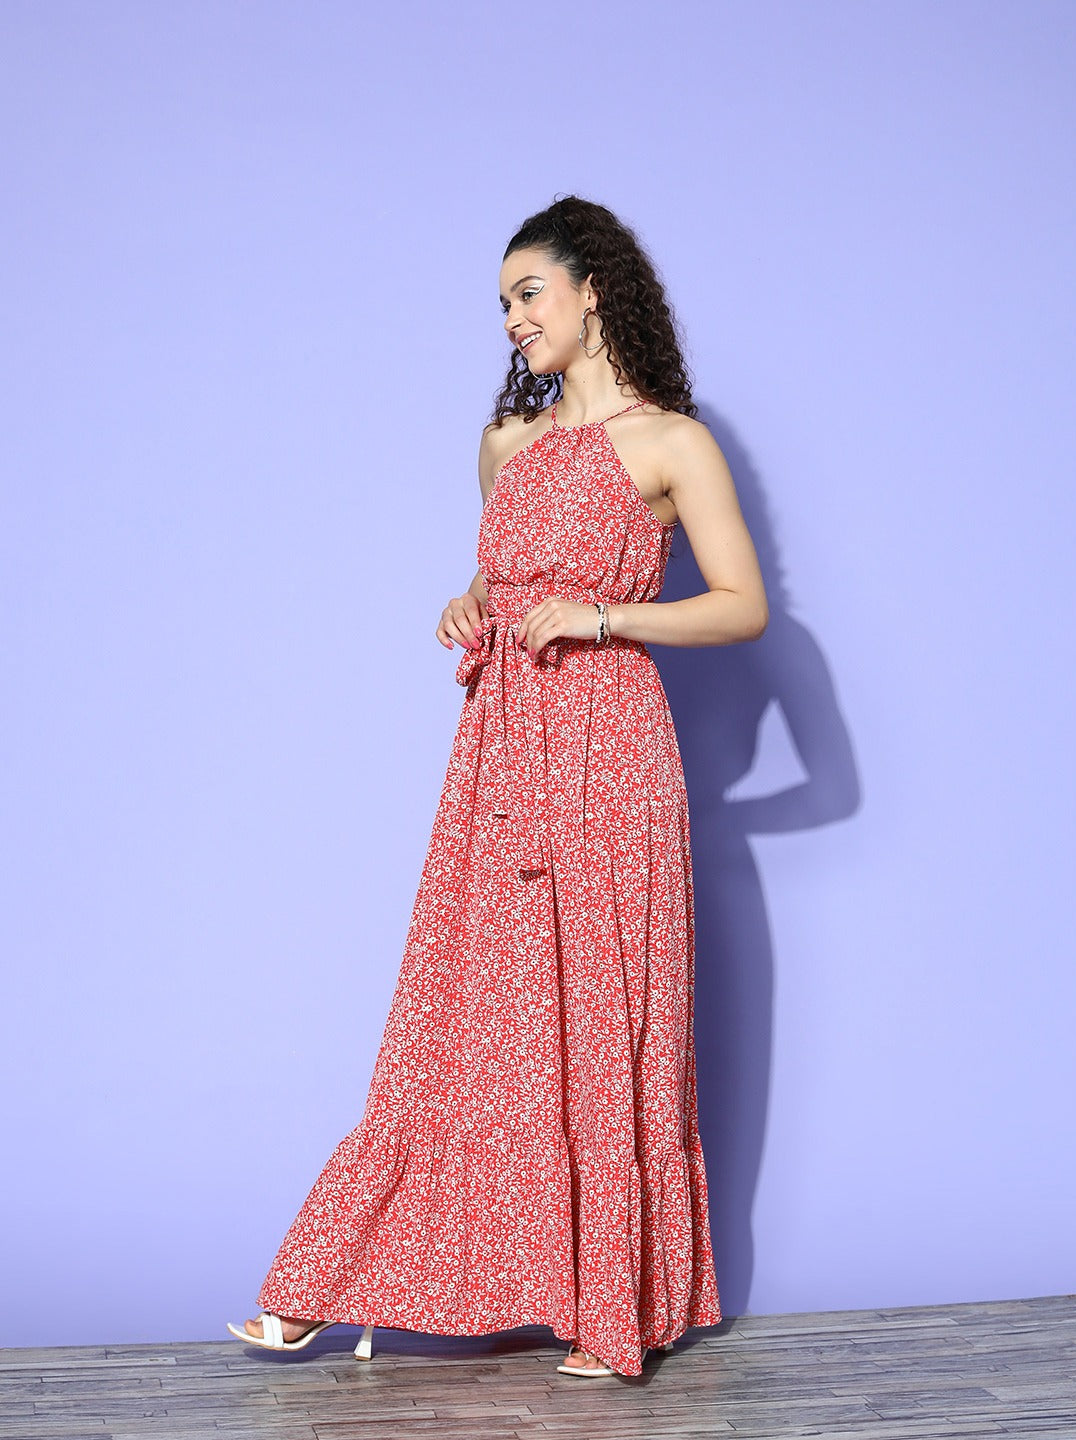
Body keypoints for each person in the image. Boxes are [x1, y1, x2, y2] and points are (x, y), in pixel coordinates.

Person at [228, 195, 768, 1379]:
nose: (514, 319)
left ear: (592, 290)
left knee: (603, 1018)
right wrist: (469, 600)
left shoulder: (672, 443)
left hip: (613, 751)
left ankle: (611, 1313)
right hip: (502, 751)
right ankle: (331, 1280)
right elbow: (504, 575)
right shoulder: (504, 446)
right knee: (467, 1016)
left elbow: (743, 607)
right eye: (505, 303)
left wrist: (605, 617)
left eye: (530, 293)